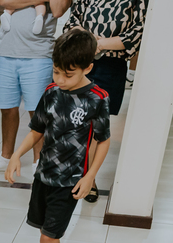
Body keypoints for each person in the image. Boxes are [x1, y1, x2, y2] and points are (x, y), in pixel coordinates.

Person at [3, 29, 110, 243]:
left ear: (88, 67)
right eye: (56, 72)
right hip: (44, 175)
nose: (60, 80)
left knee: (48, 238)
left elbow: (103, 141)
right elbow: (37, 130)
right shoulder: (52, 92)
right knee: (46, 230)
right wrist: (16, 155)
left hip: (71, 181)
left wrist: (90, 177)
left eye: (68, 75)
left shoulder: (97, 98)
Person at [59, 0, 145, 201]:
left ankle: (89, 178)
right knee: (75, 119)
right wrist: (88, 41)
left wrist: (100, 43)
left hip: (112, 66)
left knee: (98, 127)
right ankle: (70, 170)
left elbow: (137, 32)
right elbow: (72, 22)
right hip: (80, 59)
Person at [0, 0, 66, 176]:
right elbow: (5, 1)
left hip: (38, 56)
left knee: (37, 112)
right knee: (7, 108)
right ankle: (5, 157)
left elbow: (57, 11)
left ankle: (39, 161)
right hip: (6, 53)